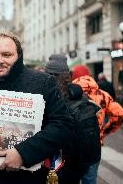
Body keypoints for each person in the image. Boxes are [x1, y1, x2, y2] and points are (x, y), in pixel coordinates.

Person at [0, 33, 74, 184]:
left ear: (18, 56)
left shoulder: (43, 82)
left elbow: (63, 125)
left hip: (28, 178)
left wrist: (23, 152)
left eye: (6, 55)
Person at [45, 54, 101, 184]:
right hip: (77, 165)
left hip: (55, 164)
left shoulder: (50, 97)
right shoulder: (82, 97)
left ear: (50, 74)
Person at [72, 65, 123, 184]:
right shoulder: (102, 95)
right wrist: (105, 131)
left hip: (74, 146)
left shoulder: (69, 93)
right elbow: (121, 114)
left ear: (74, 77)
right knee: (90, 179)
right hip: (94, 145)